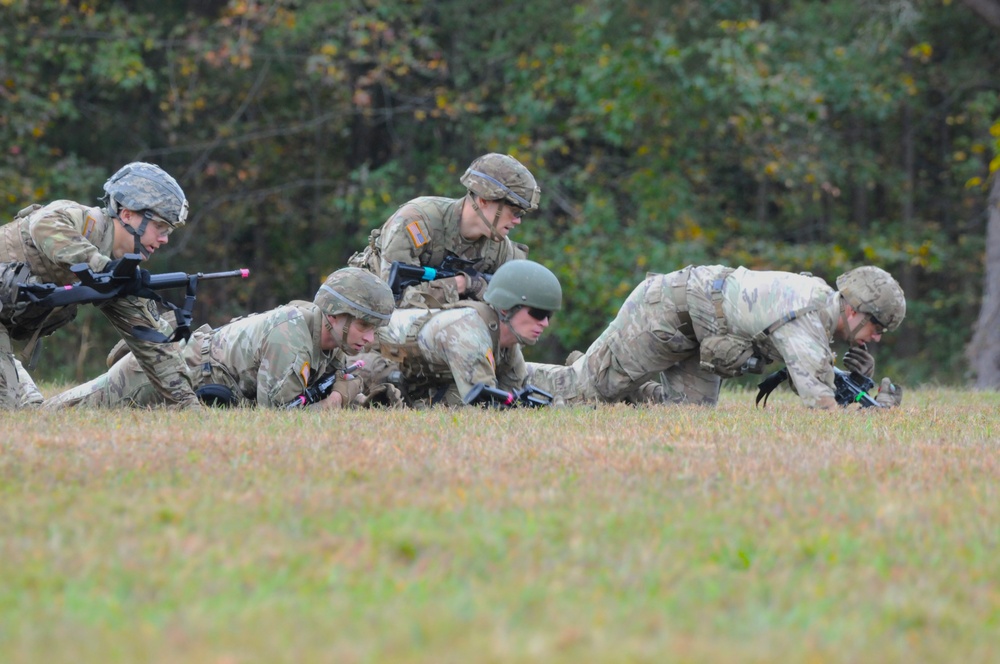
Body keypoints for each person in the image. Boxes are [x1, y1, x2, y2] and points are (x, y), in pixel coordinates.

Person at [525, 265, 906, 409]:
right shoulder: (807, 317)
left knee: (687, 417)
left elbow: (810, 371)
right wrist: (875, 416)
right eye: (877, 327)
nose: (876, 338)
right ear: (854, 310)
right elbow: (821, 404)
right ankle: (494, 377)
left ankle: (614, 377)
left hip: (699, 335)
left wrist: (858, 385)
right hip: (665, 314)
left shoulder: (818, 309)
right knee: (578, 392)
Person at [44, 268, 395, 409]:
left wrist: (363, 397)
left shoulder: (328, 339)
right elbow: (279, 419)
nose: (369, 338)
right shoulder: (291, 338)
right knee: (59, 411)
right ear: (334, 316)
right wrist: (336, 401)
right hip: (172, 370)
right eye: (364, 326)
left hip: (195, 377)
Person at [0, 162, 198, 409]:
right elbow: (43, 223)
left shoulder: (120, 273)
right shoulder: (84, 222)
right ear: (127, 214)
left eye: (168, 231)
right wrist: (100, 266)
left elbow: (154, 345)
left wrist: (188, 405)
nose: (164, 239)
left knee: (25, 414)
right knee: (6, 414)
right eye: (160, 226)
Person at [355, 259, 560, 408]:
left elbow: (515, 391)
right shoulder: (469, 335)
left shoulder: (506, 342)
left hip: (415, 374)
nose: (545, 323)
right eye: (538, 313)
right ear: (506, 309)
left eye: (548, 315)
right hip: (367, 357)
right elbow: (484, 407)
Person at [348, 153, 540, 308]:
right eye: (514, 211)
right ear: (484, 200)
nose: (518, 221)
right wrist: (462, 285)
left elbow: (517, 311)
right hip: (366, 323)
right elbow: (392, 301)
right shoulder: (416, 222)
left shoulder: (499, 249)